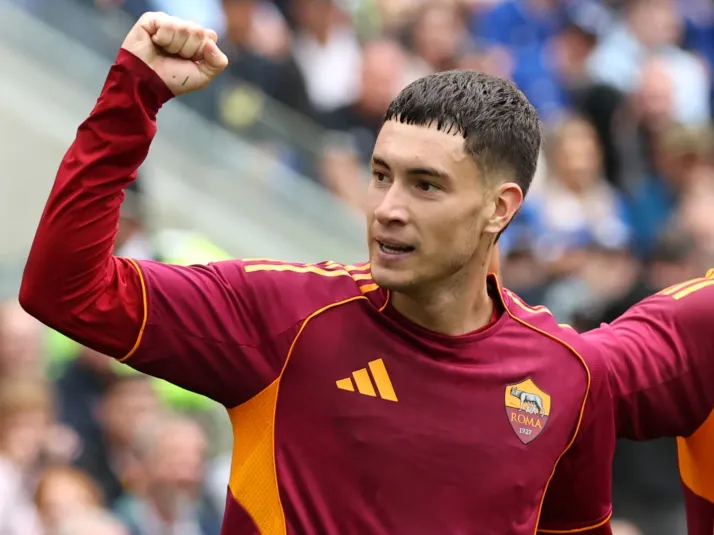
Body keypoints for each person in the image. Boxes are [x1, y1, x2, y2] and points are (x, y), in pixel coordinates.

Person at [18, 12, 714, 535]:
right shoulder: (279, 314)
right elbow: (63, 290)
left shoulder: (566, 374)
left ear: (499, 209)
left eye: (425, 185)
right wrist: (133, 98)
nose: (386, 209)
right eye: (381, 175)